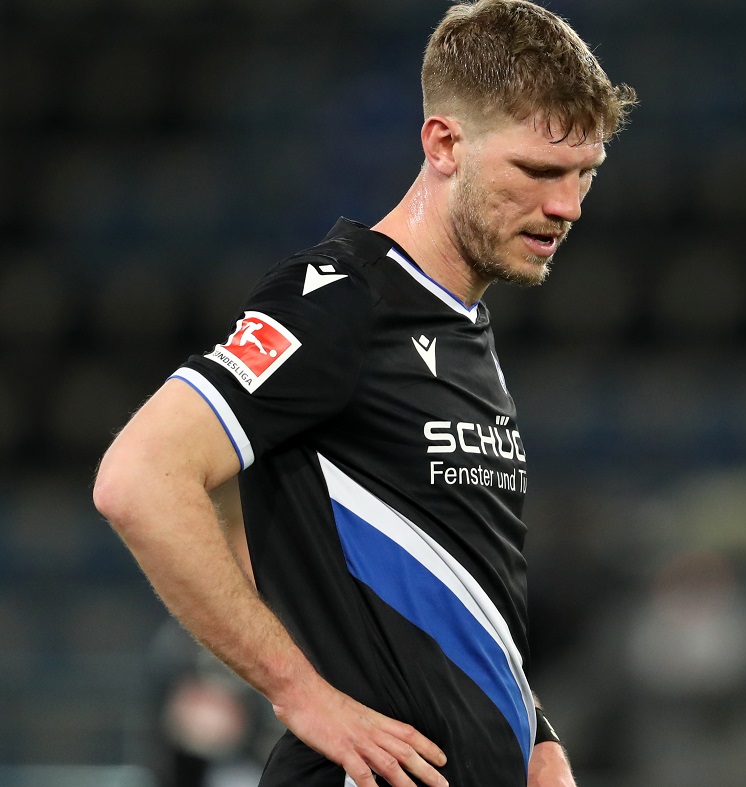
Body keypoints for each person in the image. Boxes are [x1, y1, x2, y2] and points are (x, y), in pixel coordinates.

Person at [92, 2, 635, 786]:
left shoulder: (460, 330)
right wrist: (299, 692)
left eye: (585, 173)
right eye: (539, 171)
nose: (567, 205)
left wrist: (533, 730)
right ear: (444, 144)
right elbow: (138, 477)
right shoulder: (340, 299)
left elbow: (453, 588)